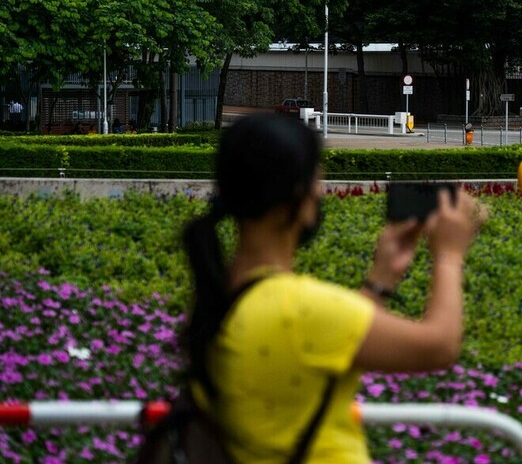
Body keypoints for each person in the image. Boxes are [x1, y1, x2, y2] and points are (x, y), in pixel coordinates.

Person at [182, 113, 486, 463]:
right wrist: (448, 255)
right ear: (297, 193)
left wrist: (381, 279)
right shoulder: (297, 308)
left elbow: (321, 343)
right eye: (316, 175)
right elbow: (439, 346)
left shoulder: (219, 298)